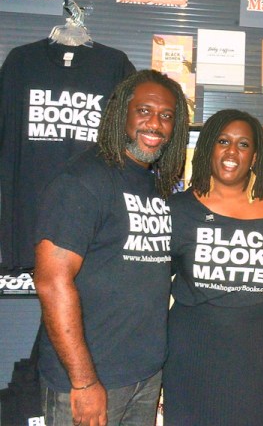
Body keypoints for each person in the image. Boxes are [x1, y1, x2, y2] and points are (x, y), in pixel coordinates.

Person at [33, 69, 189, 426]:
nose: (155, 124)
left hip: (144, 375)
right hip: (89, 379)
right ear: (122, 113)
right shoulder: (82, 180)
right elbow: (51, 282)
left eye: (166, 116)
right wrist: (85, 381)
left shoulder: (156, 186)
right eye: (144, 111)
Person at [163, 109, 263, 425]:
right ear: (208, 147)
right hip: (194, 345)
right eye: (223, 141)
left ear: (255, 156)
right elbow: (150, 283)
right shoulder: (179, 210)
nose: (231, 152)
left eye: (243, 144)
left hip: (259, 347)